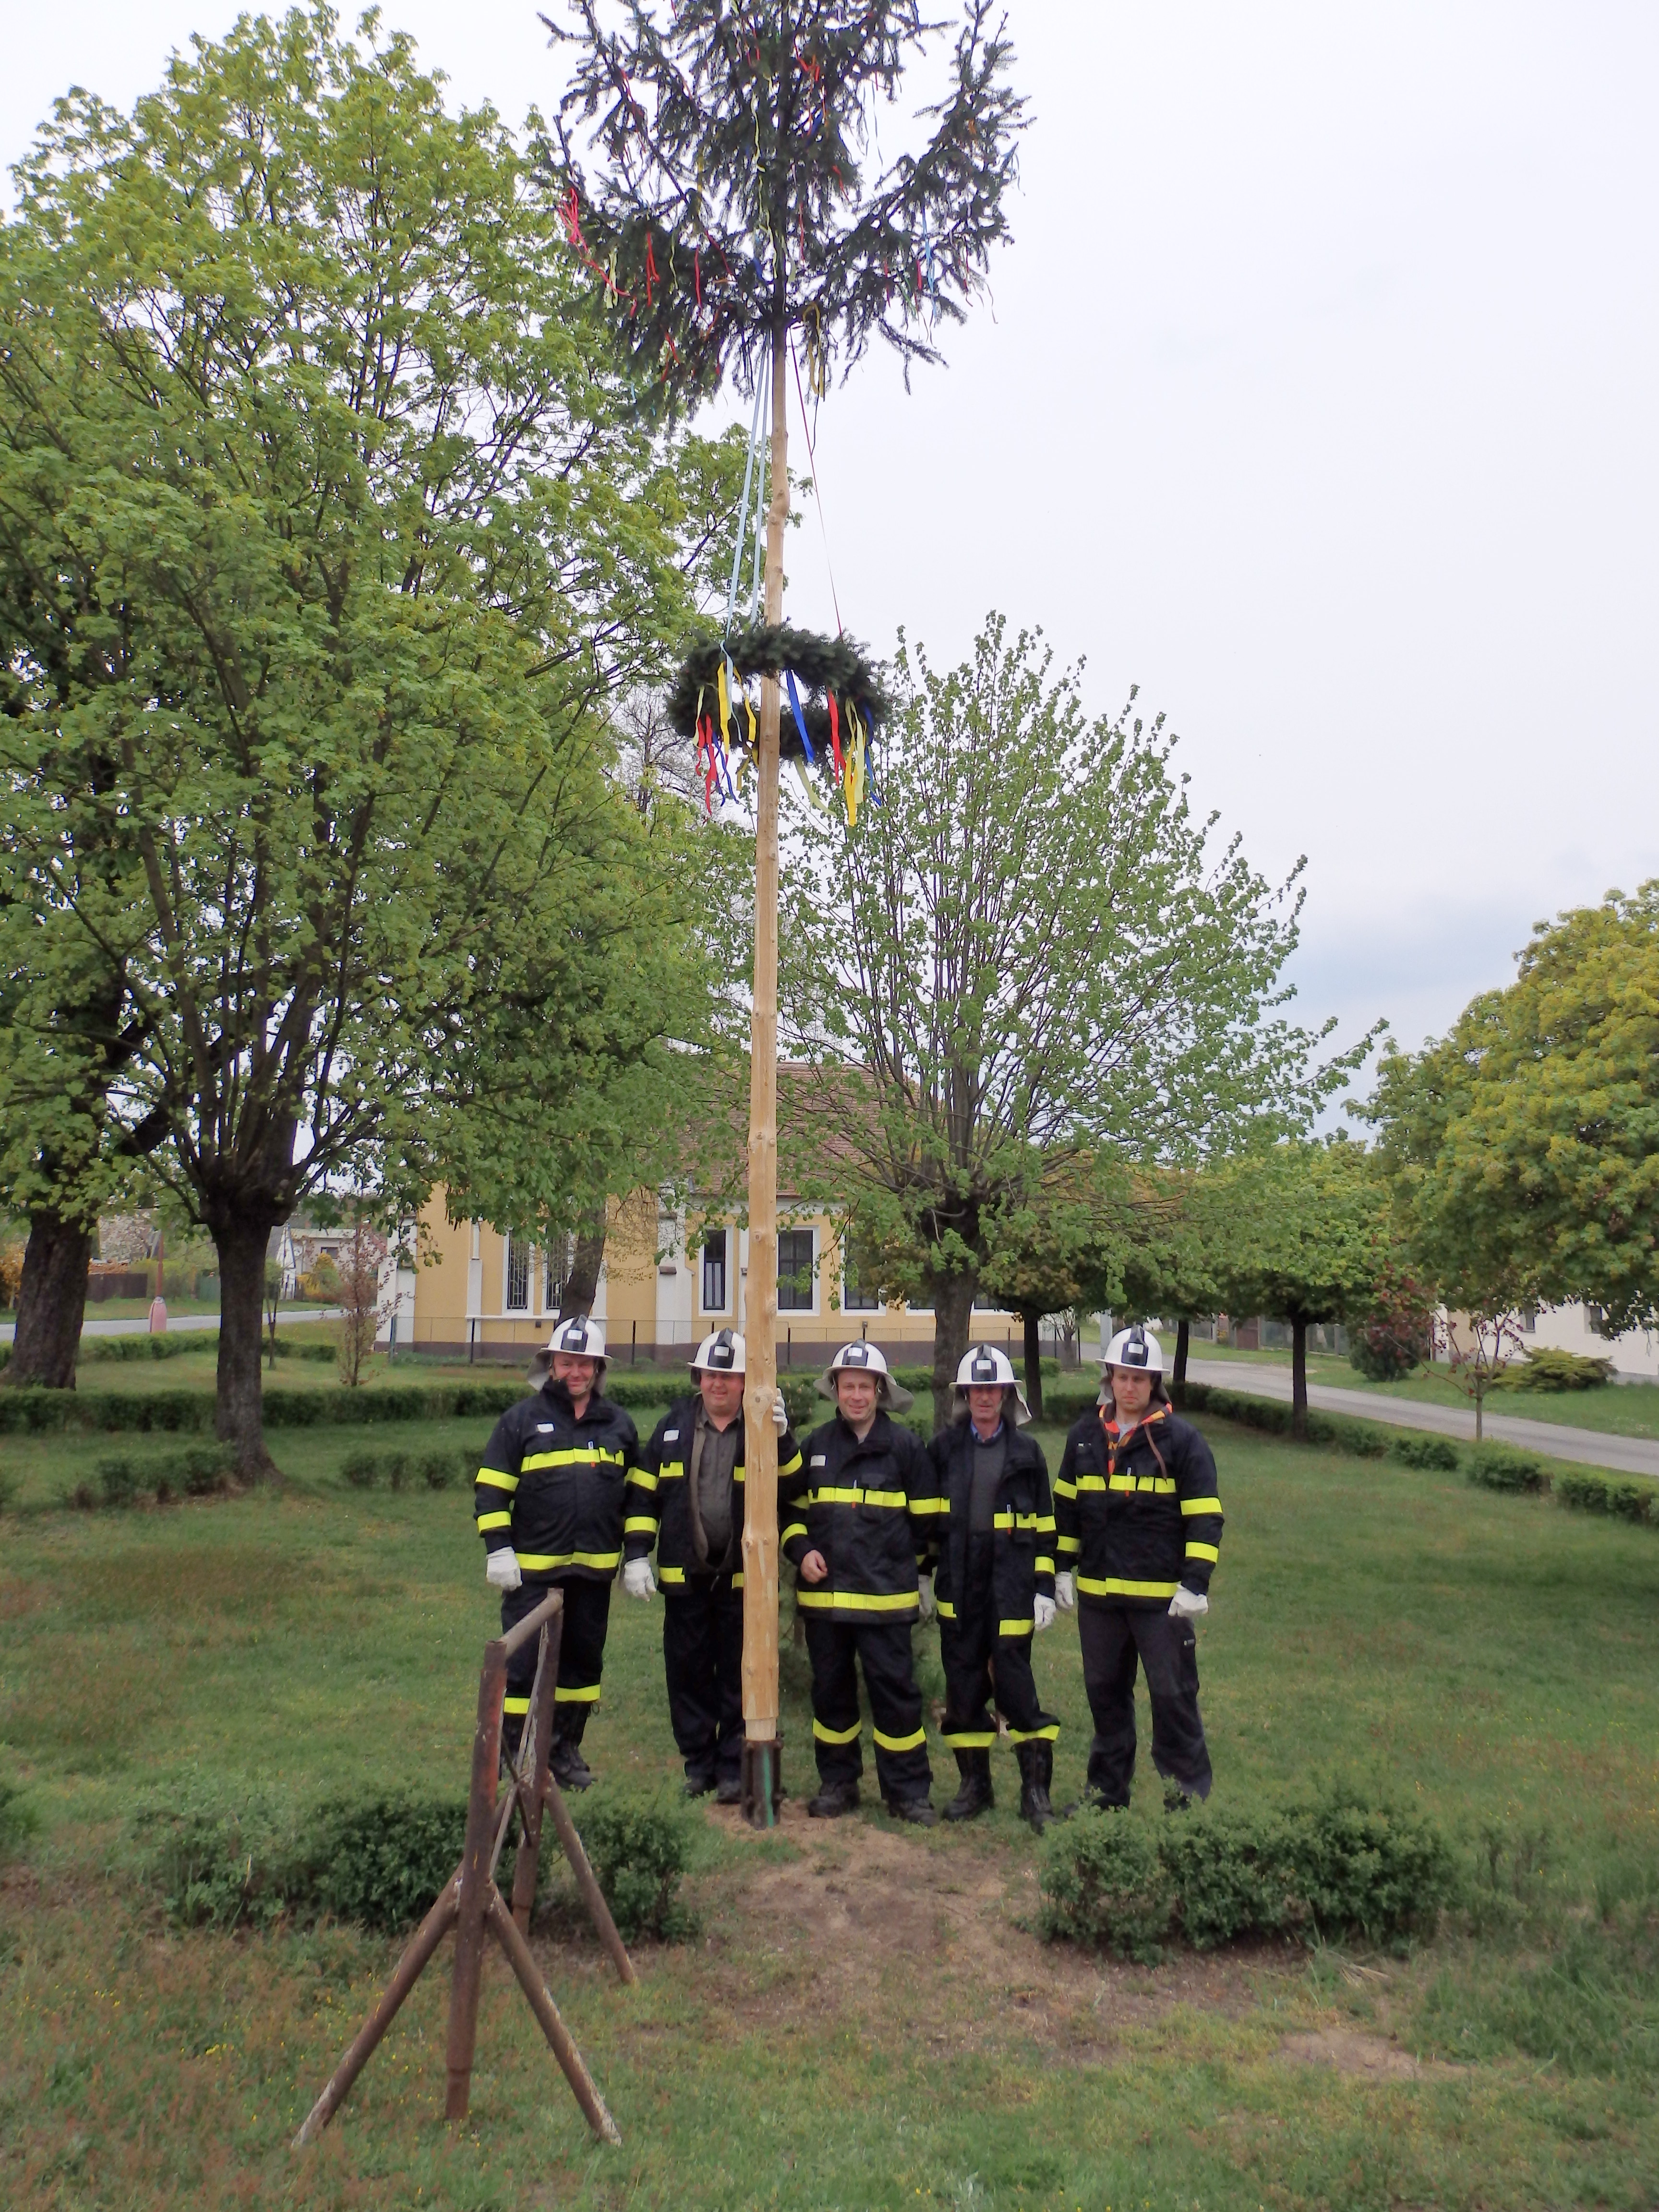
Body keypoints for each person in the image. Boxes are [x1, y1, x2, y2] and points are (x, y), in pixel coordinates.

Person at [622, 1328, 802, 1803]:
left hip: (741, 1581)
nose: (718, 1385)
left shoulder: (761, 1427)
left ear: (745, 1382)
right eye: (710, 1376)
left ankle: (731, 1767)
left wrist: (783, 1439)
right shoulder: (672, 1428)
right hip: (685, 1580)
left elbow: (794, 1488)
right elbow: (643, 1495)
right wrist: (636, 1553)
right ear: (698, 1379)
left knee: (738, 1675)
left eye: (729, 1376)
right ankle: (698, 1765)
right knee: (688, 1675)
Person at [1053, 1324, 1224, 1807]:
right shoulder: (1084, 1438)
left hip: (1161, 1603)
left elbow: (1205, 1516)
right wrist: (1061, 1569)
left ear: (1154, 1383)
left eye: (1139, 1379)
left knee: (1173, 1700)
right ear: (1110, 1377)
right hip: (1100, 1599)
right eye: (1122, 1377)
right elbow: (1067, 1510)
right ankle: (1105, 1800)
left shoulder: (1182, 1441)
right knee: (1105, 1697)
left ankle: (1186, 1807)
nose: (1129, 1387)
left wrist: (1195, 1583)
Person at [472, 1314, 640, 1791]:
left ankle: (563, 1751)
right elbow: (491, 1490)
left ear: (598, 1369)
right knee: (522, 1666)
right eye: (567, 1363)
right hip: (532, 1576)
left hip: (593, 1575)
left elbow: (637, 1499)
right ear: (551, 1365)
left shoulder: (620, 1426)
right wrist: (499, 1549)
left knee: (582, 1668)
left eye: (585, 1364)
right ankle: (513, 1753)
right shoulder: (520, 1422)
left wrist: (636, 1555)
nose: (576, 1372)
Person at [781, 1341, 937, 1824]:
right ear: (836, 1390)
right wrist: (802, 1552)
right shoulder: (816, 1446)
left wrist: (920, 1575)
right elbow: (791, 1514)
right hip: (826, 1602)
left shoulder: (905, 1448)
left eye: (864, 1387)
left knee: (896, 1697)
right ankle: (838, 1783)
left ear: (879, 1391)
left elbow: (928, 1523)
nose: (855, 1395)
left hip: (886, 1601)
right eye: (847, 1386)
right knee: (831, 1695)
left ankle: (907, 1792)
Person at [922, 1343, 1062, 1829]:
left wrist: (1044, 1587)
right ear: (965, 1394)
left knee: (1018, 1689)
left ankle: (1035, 1793)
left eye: (993, 1389)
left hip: (1011, 1584)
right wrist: (922, 1575)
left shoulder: (1028, 1453)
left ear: (1006, 1394)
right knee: (963, 1689)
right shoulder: (943, 1450)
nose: (984, 1397)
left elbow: (1045, 1527)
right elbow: (928, 1523)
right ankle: (975, 1787)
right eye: (976, 1390)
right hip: (960, 1583)